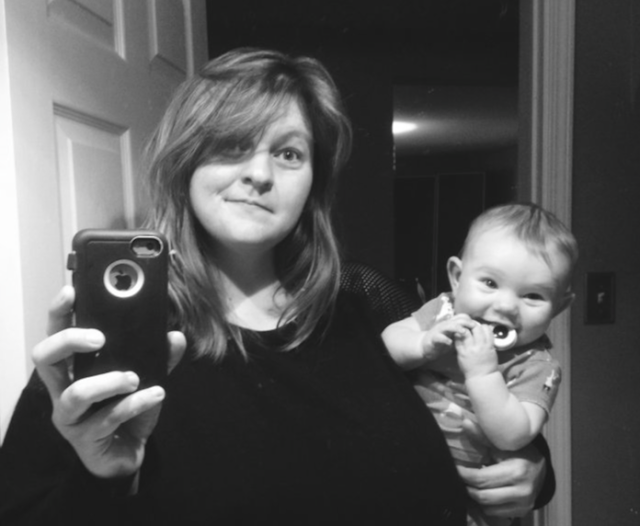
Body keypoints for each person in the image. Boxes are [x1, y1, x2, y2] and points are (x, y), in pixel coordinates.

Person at [0, 49, 553, 526]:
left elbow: (467, 399)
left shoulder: (365, 301)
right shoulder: (113, 345)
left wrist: (533, 468)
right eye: (232, 144)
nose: (260, 174)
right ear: (185, 162)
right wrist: (102, 478)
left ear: (313, 183)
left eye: (288, 153)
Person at [382, 203, 577, 526]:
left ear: (559, 306)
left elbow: (514, 436)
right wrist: (422, 343)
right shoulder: (444, 312)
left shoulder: (537, 365)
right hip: (396, 477)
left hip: (468, 502)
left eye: (532, 296)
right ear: (457, 278)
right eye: (490, 283)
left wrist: (482, 373)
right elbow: (384, 349)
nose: (506, 306)